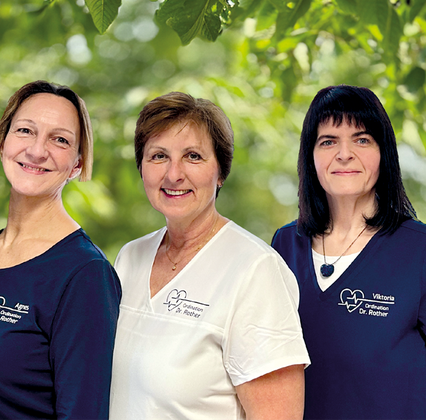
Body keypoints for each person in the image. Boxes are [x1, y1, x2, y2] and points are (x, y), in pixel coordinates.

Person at [271, 85, 426, 420]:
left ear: (383, 153)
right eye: (328, 141)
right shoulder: (285, 245)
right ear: (310, 155)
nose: (344, 154)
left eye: (361, 140)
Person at [109, 92, 310, 419]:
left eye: (193, 156)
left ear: (221, 172)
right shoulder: (130, 258)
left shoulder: (255, 270)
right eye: (158, 156)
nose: (174, 174)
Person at [0, 81, 121, 419]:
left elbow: (84, 412)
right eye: (25, 131)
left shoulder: (84, 275)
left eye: (60, 139)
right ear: (2, 141)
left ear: (78, 164)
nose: (37, 151)